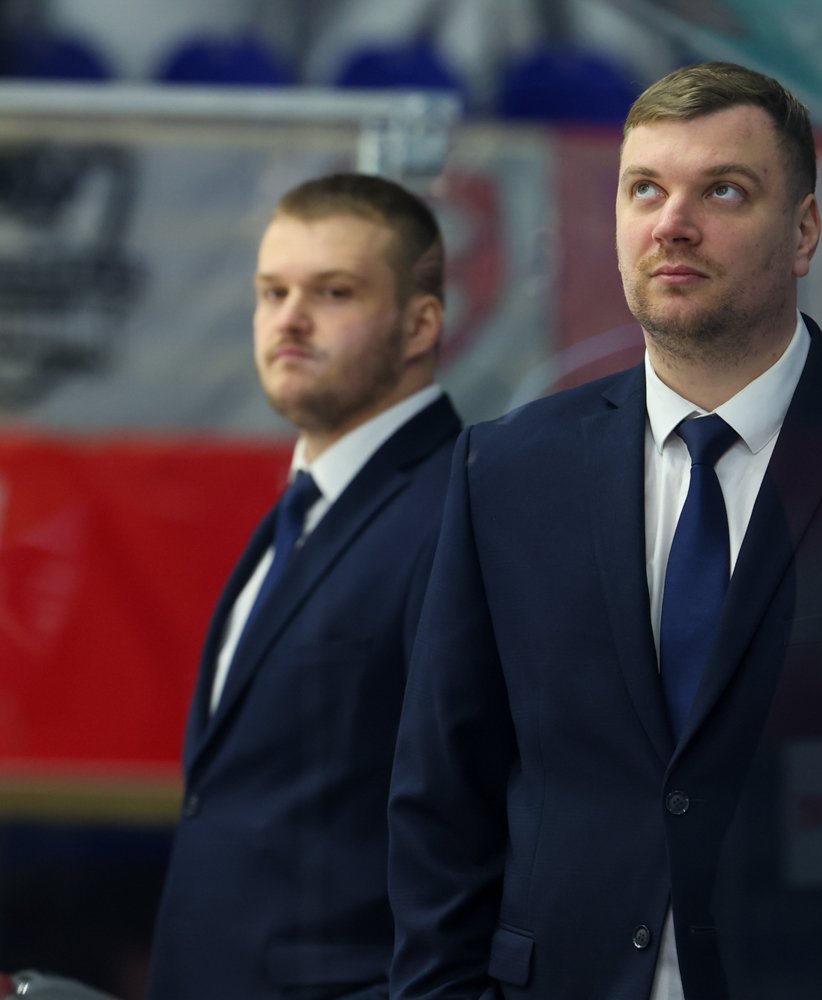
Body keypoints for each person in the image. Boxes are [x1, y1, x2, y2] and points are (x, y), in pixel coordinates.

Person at [388, 62, 822, 999]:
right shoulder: (504, 472)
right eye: (645, 190)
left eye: (722, 190)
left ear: (803, 231)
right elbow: (443, 799)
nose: (671, 224)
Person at [149, 173, 461, 1000]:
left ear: (419, 325)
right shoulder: (301, 509)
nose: (289, 318)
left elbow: (479, 815)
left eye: (333, 292)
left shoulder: (460, 511)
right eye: (272, 292)